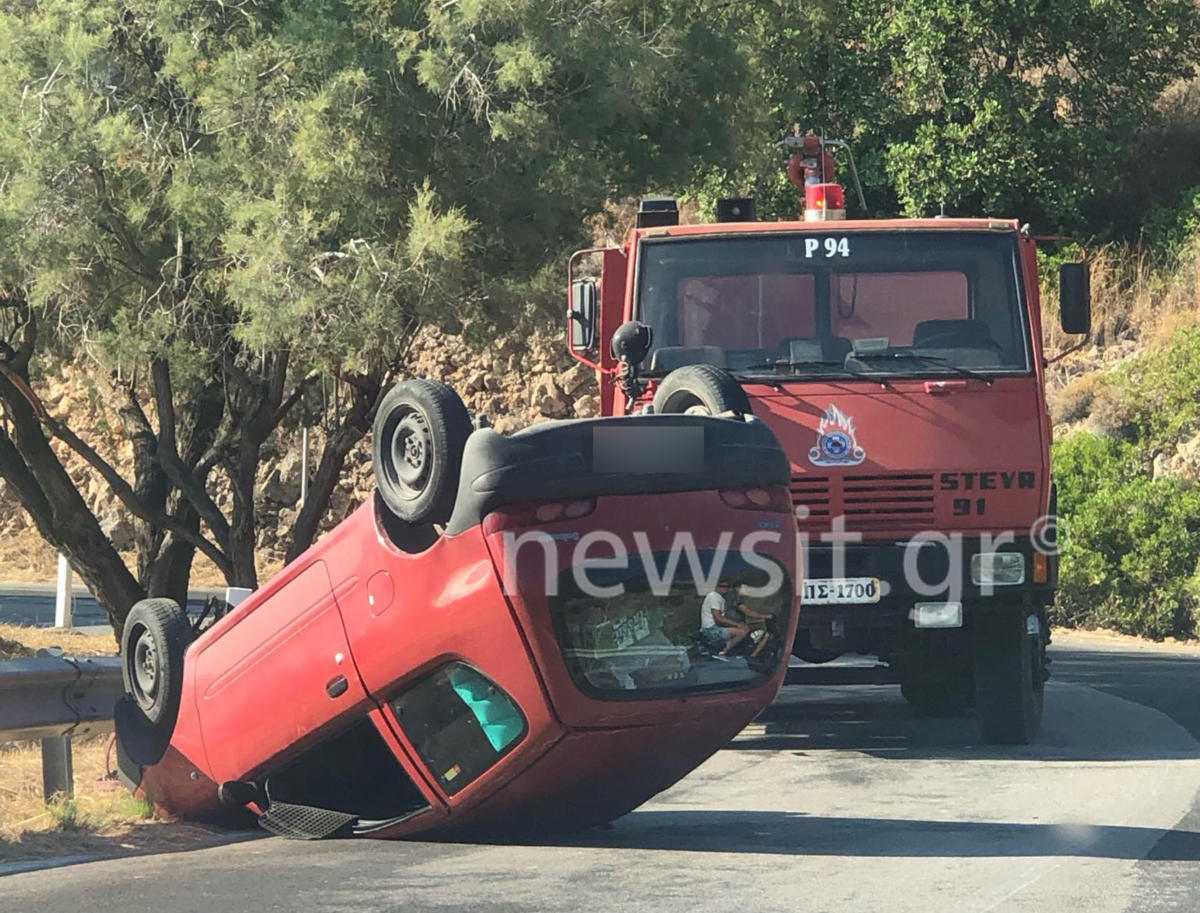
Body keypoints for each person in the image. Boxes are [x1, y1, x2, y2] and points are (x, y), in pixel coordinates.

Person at [699, 579, 751, 659]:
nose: (724, 588)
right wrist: (737, 624)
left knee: (743, 627)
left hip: (714, 628)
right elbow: (718, 618)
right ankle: (723, 652)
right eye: (721, 586)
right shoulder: (714, 596)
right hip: (711, 630)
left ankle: (733, 651)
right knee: (741, 632)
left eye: (726, 586)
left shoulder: (721, 598)